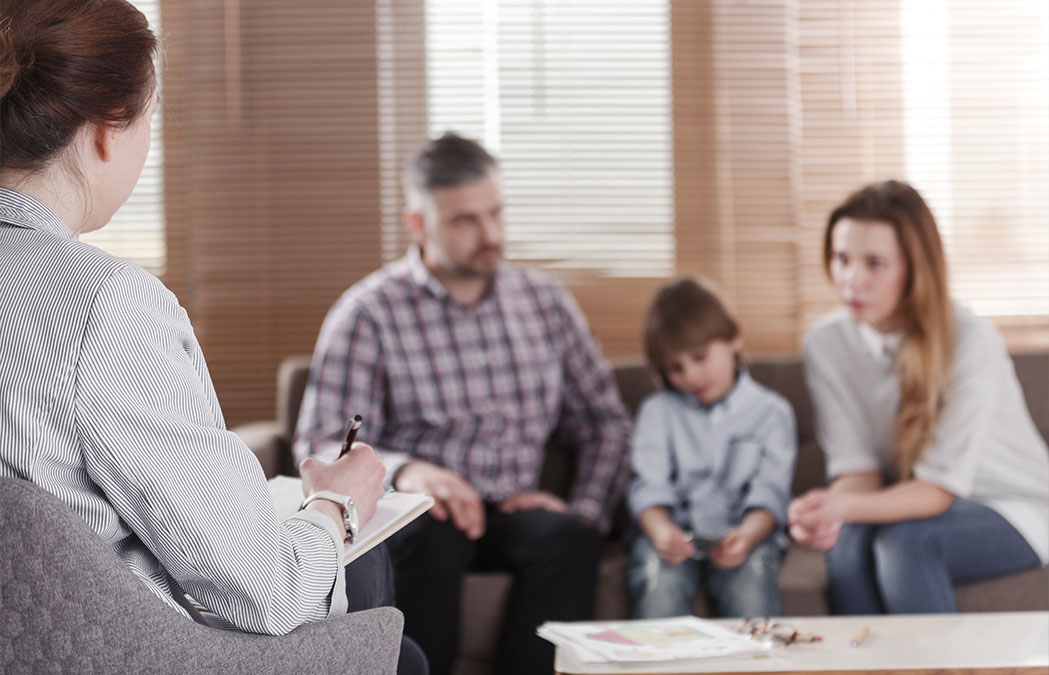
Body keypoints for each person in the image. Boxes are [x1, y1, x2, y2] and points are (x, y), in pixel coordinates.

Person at [0, 2, 425, 671]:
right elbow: (264, 593)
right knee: (378, 604)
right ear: (107, 129)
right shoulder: (104, 304)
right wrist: (337, 503)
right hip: (132, 656)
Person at [294, 131, 632, 675]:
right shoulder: (368, 313)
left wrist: (584, 508)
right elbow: (322, 444)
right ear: (419, 224)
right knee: (435, 535)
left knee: (571, 539)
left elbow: (604, 423)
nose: (490, 234)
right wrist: (411, 470)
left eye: (495, 213)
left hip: (516, 510)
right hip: (425, 515)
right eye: (465, 220)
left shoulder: (545, 305)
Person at [788, 180, 1049, 614]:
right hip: (910, 502)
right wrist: (827, 513)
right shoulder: (826, 343)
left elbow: (936, 492)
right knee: (848, 545)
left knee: (908, 543)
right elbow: (859, 470)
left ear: (914, 268)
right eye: (841, 259)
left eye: (875, 263)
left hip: (1014, 507)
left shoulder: (969, 339)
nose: (852, 280)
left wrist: (842, 504)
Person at [624, 278, 797, 619]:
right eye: (675, 368)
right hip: (673, 539)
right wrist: (662, 532)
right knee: (659, 583)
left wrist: (746, 536)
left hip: (746, 535)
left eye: (700, 357)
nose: (690, 376)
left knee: (751, 590)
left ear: (734, 338)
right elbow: (649, 488)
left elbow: (770, 494)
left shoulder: (771, 413)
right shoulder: (657, 412)